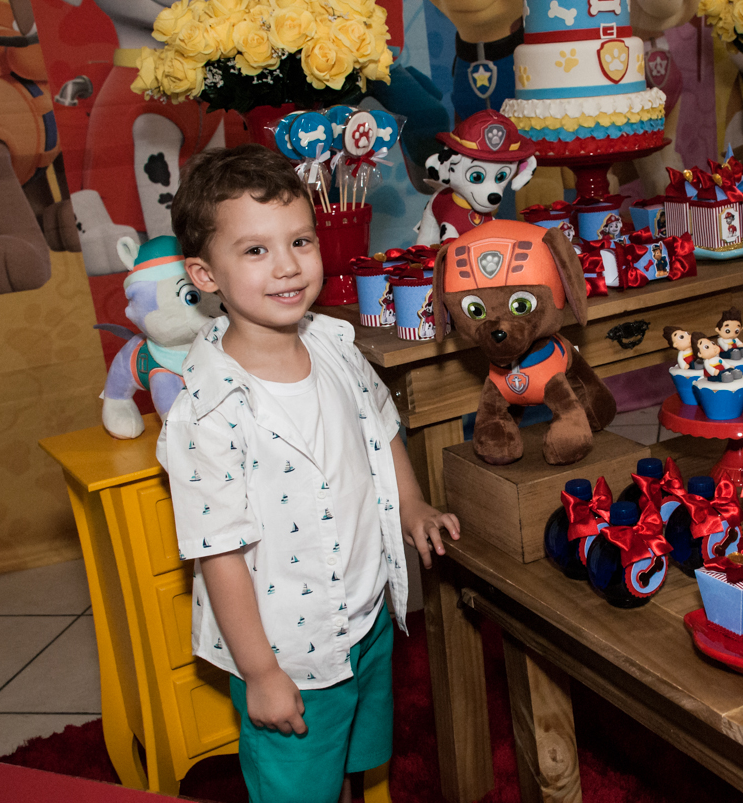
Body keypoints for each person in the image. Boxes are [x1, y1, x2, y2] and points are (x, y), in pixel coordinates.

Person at [156, 144, 460, 803]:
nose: (289, 265)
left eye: (299, 240)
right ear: (205, 275)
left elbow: (381, 429)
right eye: (256, 250)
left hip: (366, 613)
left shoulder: (335, 346)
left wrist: (412, 507)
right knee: (298, 787)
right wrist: (260, 671)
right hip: (287, 646)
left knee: (346, 764)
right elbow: (220, 555)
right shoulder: (206, 414)